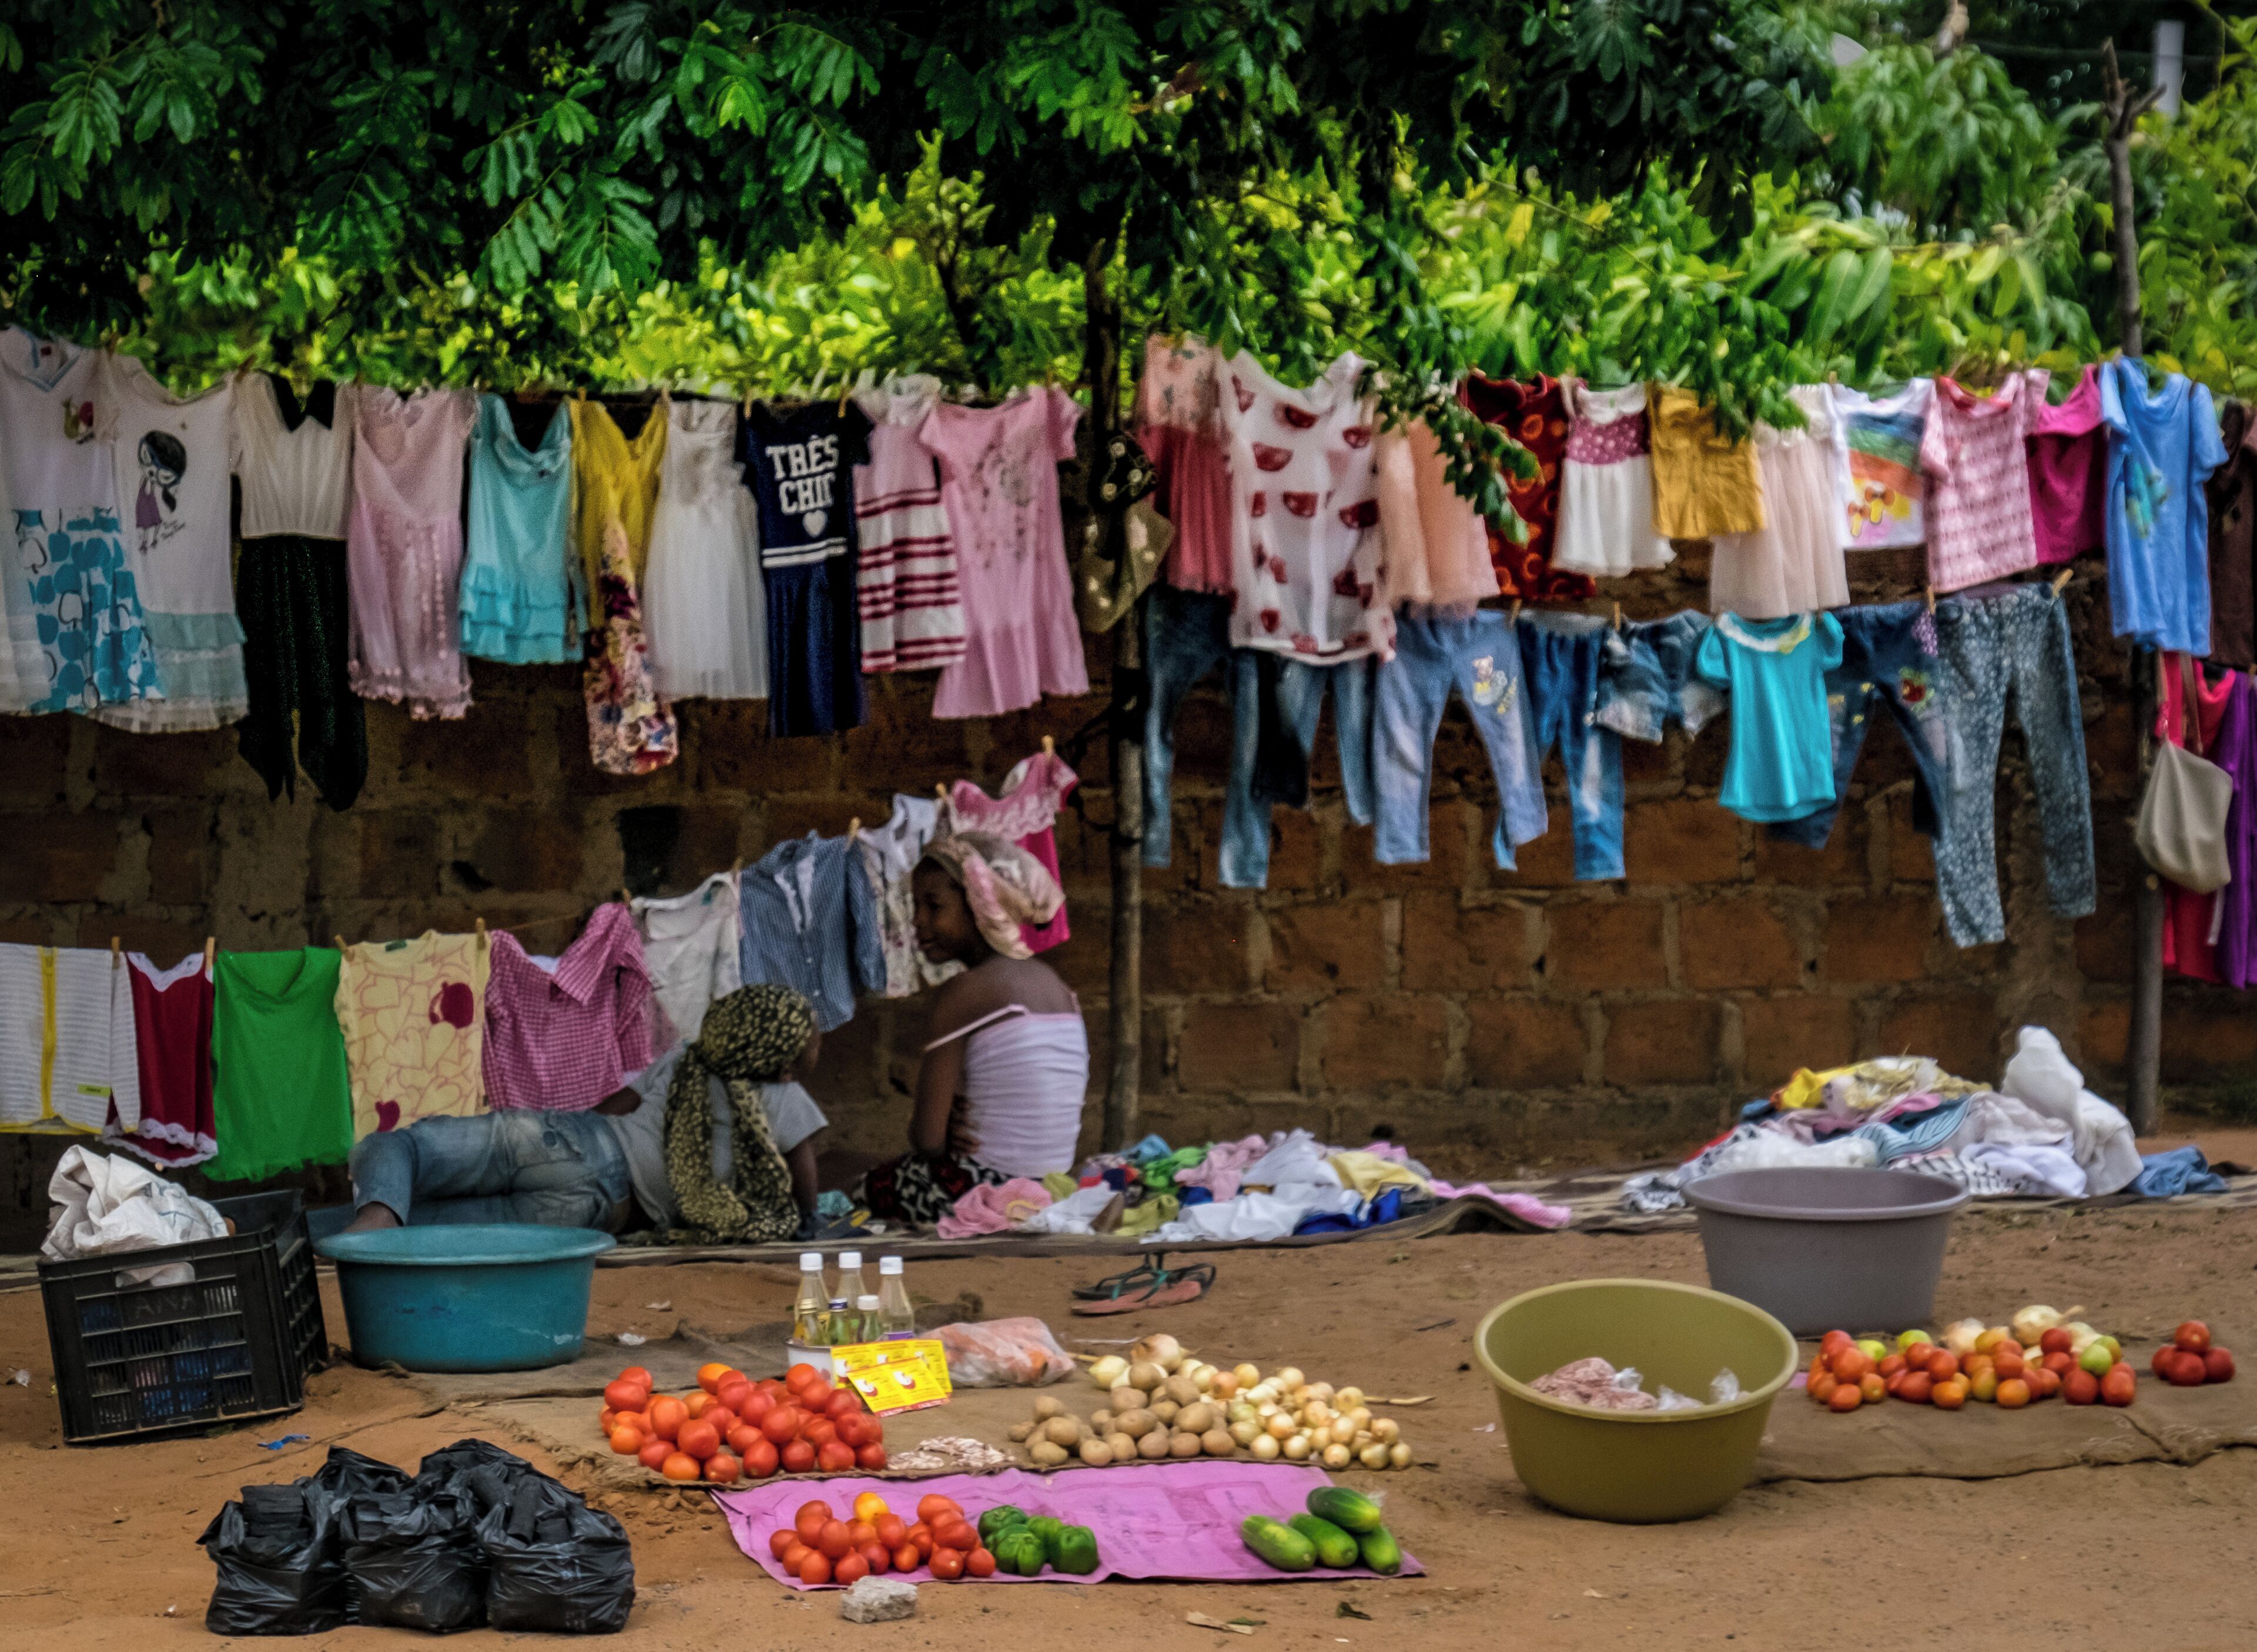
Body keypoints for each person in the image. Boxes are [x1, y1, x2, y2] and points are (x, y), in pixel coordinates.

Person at [345, 984, 823, 1241]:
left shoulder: (687, 1059)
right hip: (601, 1208)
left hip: (578, 1140)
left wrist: (563, 1138)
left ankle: (371, 1219)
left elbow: (614, 1106)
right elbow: (804, 1178)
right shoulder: (784, 1095)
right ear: (783, 1054)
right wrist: (807, 1220)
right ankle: (369, 1237)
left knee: (400, 1148)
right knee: (438, 1230)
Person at [857, 831, 1090, 1224]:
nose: (918, 921)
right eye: (917, 906)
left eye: (934, 906)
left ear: (980, 904)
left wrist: (940, 1127)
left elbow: (928, 1140)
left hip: (981, 1190)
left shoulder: (964, 992)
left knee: (838, 1173)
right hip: (1049, 1189)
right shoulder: (1058, 987)